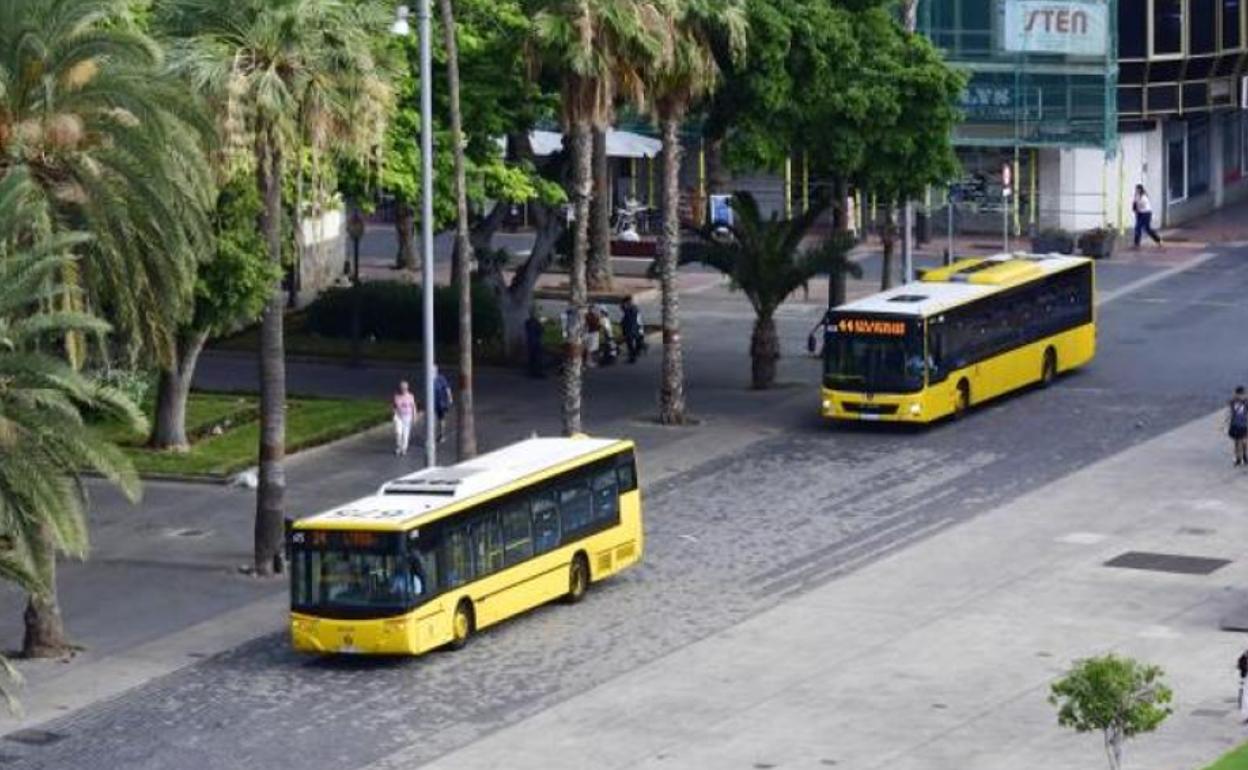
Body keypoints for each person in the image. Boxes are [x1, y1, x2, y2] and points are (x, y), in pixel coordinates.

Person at [392, 380, 418, 456]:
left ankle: (404, 448)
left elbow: (413, 406)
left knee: (405, 434)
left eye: (405, 388)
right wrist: (394, 413)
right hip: (398, 416)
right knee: (398, 433)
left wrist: (414, 415)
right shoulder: (396, 396)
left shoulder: (410, 396)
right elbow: (394, 406)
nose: (403, 389)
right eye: (402, 388)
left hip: (407, 416)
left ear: (407, 388)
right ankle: (398, 447)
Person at [1229, 386, 1248, 466]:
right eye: (1240, 394)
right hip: (1236, 424)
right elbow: (1232, 412)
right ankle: (1238, 458)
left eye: (1242, 394)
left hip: (1243, 424)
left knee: (1244, 441)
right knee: (1237, 442)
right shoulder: (1233, 402)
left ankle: (1244, 457)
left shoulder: (1246, 402)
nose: (1241, 395)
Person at [620, 296, 643, 363]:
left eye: (625, 303)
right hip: (633, 328)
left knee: (630, 344)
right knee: (631, 344)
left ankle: (633, 357)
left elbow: (628, 318)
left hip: (630, 329)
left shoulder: (631, 309)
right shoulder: (633, 308)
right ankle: (634, 355)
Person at [433, 366, 453, 443]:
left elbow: (447, 388)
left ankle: (441, 434)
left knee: (441, 419)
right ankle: (432, 435)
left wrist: (450, 398)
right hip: (432, 403)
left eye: (433, 370)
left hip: (440, 402)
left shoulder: (441, 378)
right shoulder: (428, 378)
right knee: (433, 419)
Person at [524, 309, 545, 378]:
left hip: (531, 342)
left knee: (532, 358)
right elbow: (541, 331)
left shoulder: (528, 322)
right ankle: (536, 372)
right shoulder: (535, 323)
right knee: (536, 358)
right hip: (535, 342)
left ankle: (532, 371)